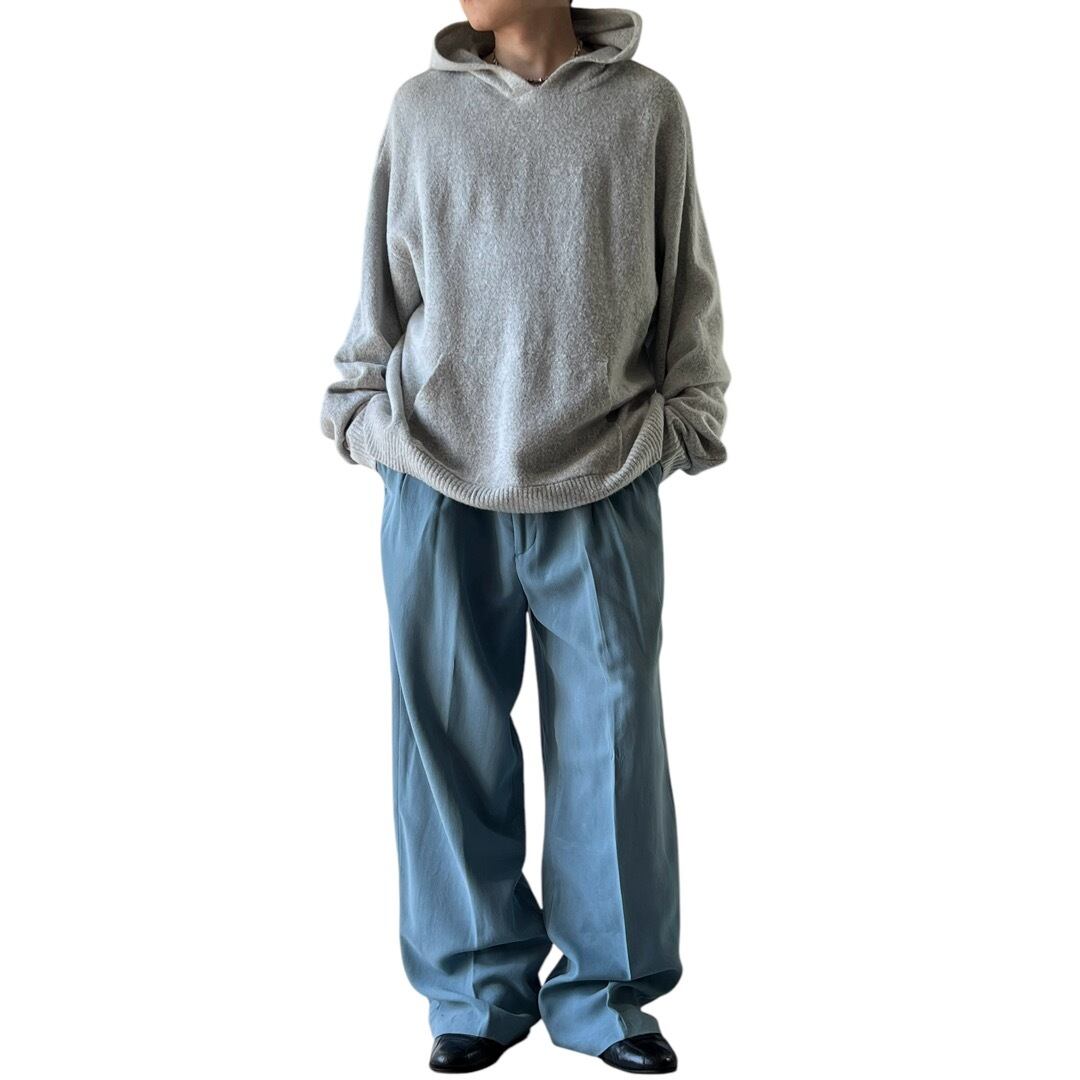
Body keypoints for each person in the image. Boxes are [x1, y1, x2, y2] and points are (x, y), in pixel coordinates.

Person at [319, 2, 730, 1072]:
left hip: (603, 470)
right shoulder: (421, 110)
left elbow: (683, 283)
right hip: (436, 473)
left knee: (614, 739)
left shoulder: (646, 109)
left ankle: (607, 997)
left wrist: (688, 420)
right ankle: (474, 992)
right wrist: (361, 414)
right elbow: (383, 289)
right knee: (446, 744)